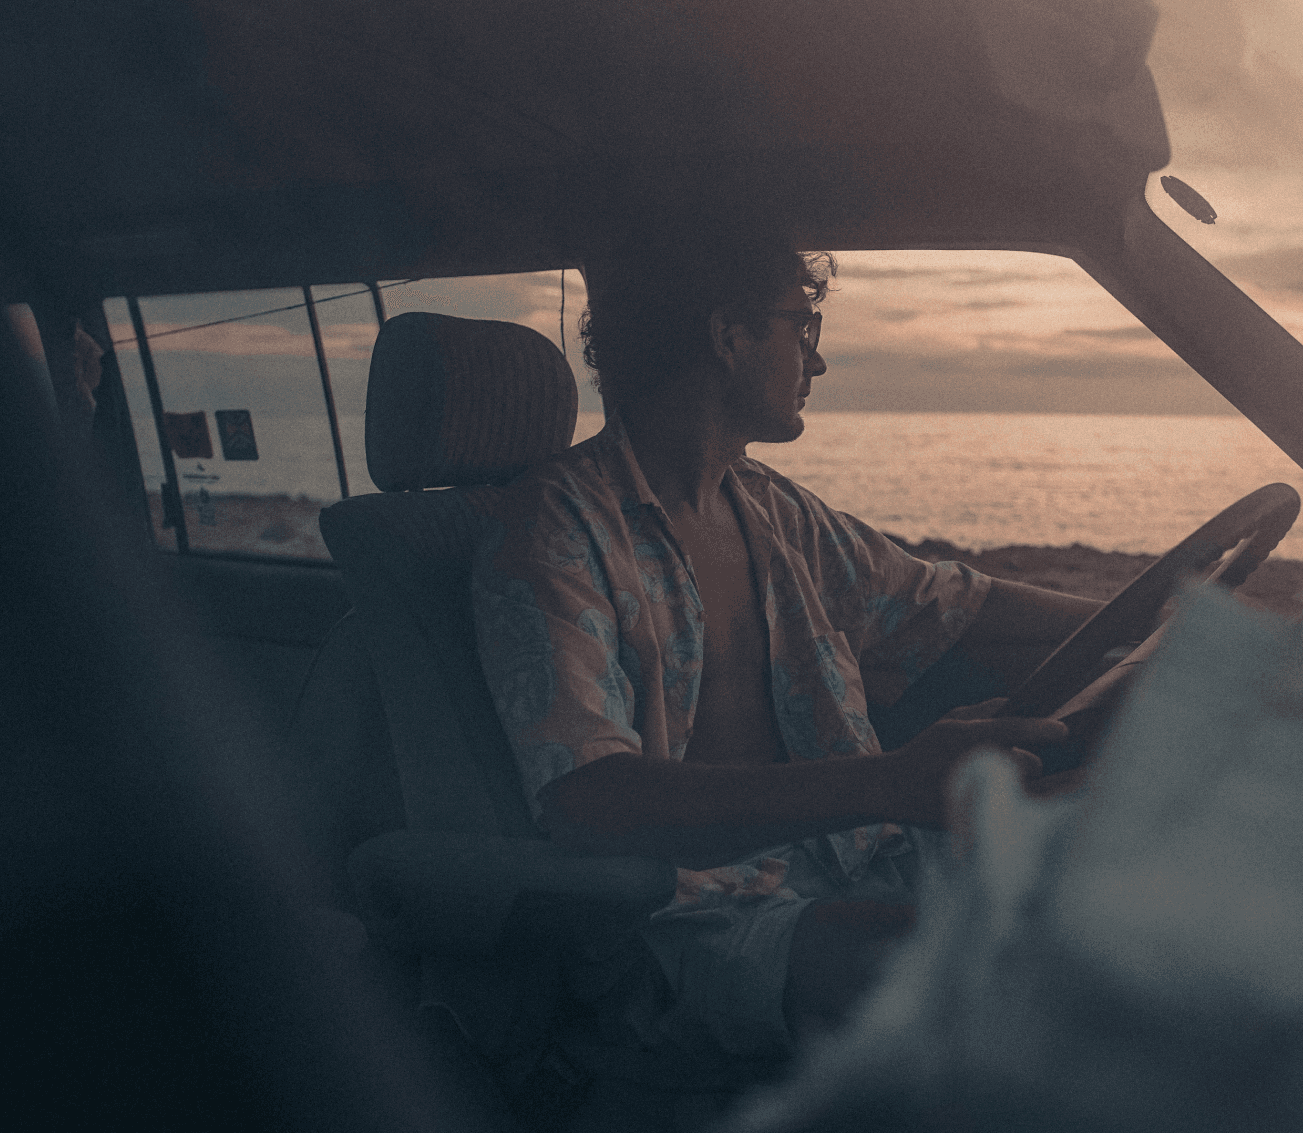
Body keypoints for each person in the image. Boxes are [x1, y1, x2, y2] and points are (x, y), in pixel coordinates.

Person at [469, 228, 1100, 1064]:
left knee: (1136, 854)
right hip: (689, 922)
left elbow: (958, 606)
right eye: (802, 328)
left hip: (860, 861)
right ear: (729, 336)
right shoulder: (556, 529)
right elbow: (592, 803)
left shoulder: (771, 508)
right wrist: (887, 782)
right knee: (1032, 984)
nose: (818, 360)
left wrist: (1184, 611)